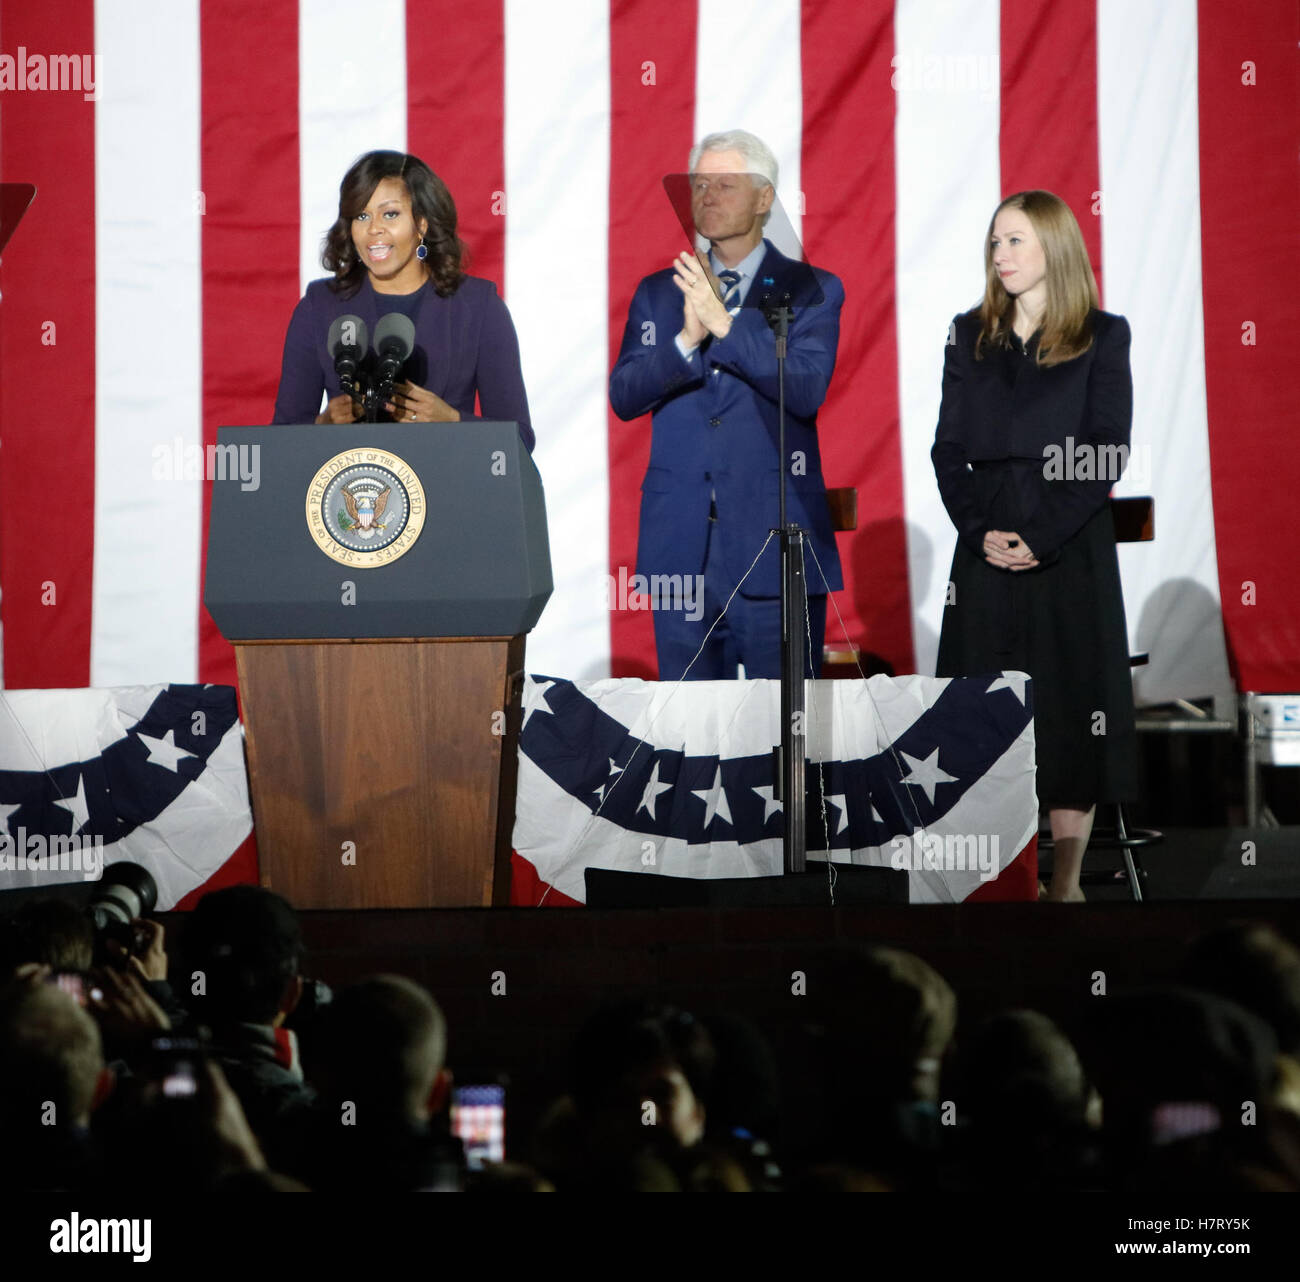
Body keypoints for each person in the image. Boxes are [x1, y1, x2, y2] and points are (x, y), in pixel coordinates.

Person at [931, 190, 1138, 902]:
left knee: (1068, 707)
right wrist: (977, 530)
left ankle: (1068, 883)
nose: (1001, 255)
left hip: (1068, 546)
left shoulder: (1103, 336)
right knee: (981, 705)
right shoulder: (970, 334)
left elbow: (1106, 451)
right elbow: (947, 449)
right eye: (994, 243)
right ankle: (992, 879)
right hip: (984, 547)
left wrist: (1042, 535)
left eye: (1015, 241)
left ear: (1054, 246)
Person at [609, 129, 843, 680]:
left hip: (774, 547)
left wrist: (724, 326)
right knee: (690, 737)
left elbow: (805, 388)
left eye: (726, 183)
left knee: (780, 740)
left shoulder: (813, 289)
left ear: (765, 199)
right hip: (680, 550)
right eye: (700, 183)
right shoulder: (658, 292)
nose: (708, 194)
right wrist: (687, 342)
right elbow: (624, 396)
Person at [272, 150, 534, 451]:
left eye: (390, 214)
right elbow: (282, 436)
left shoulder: (478, 307)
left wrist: (451, 421)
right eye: (361, 215)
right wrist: (324, 425)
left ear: (421, 223)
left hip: (448, 491)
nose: (374, 229)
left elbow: (520, 440)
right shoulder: (319, 307)